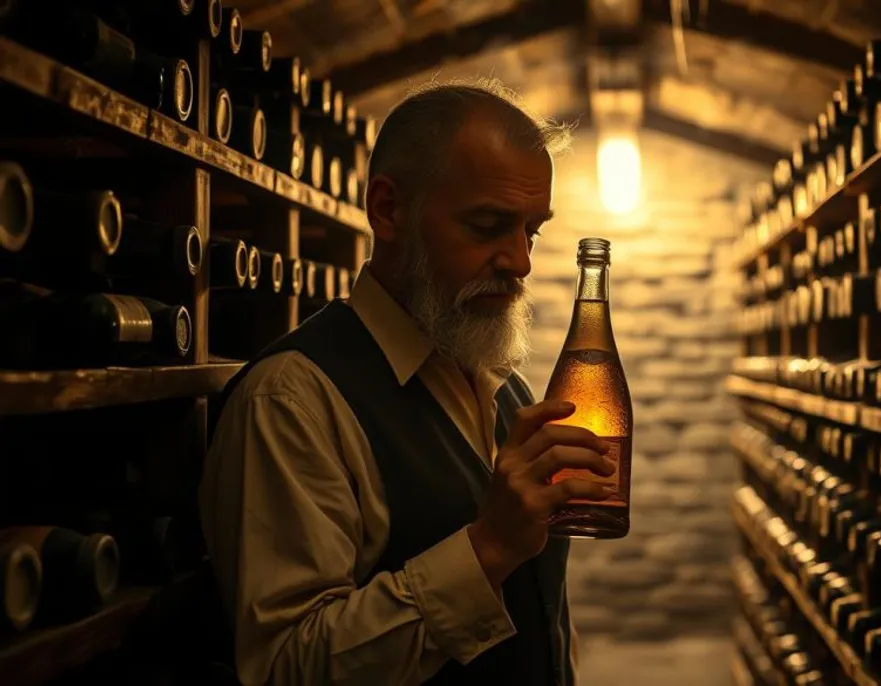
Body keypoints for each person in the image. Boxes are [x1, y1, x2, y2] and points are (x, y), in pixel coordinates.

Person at [199, 80, 614, 686]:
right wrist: (487, 549)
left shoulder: (504, 390)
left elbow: (544, 617)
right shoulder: (293, 401)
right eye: (488, 225)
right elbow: (287, 665)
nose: (520, 261)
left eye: (531, 231)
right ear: (389, 209)